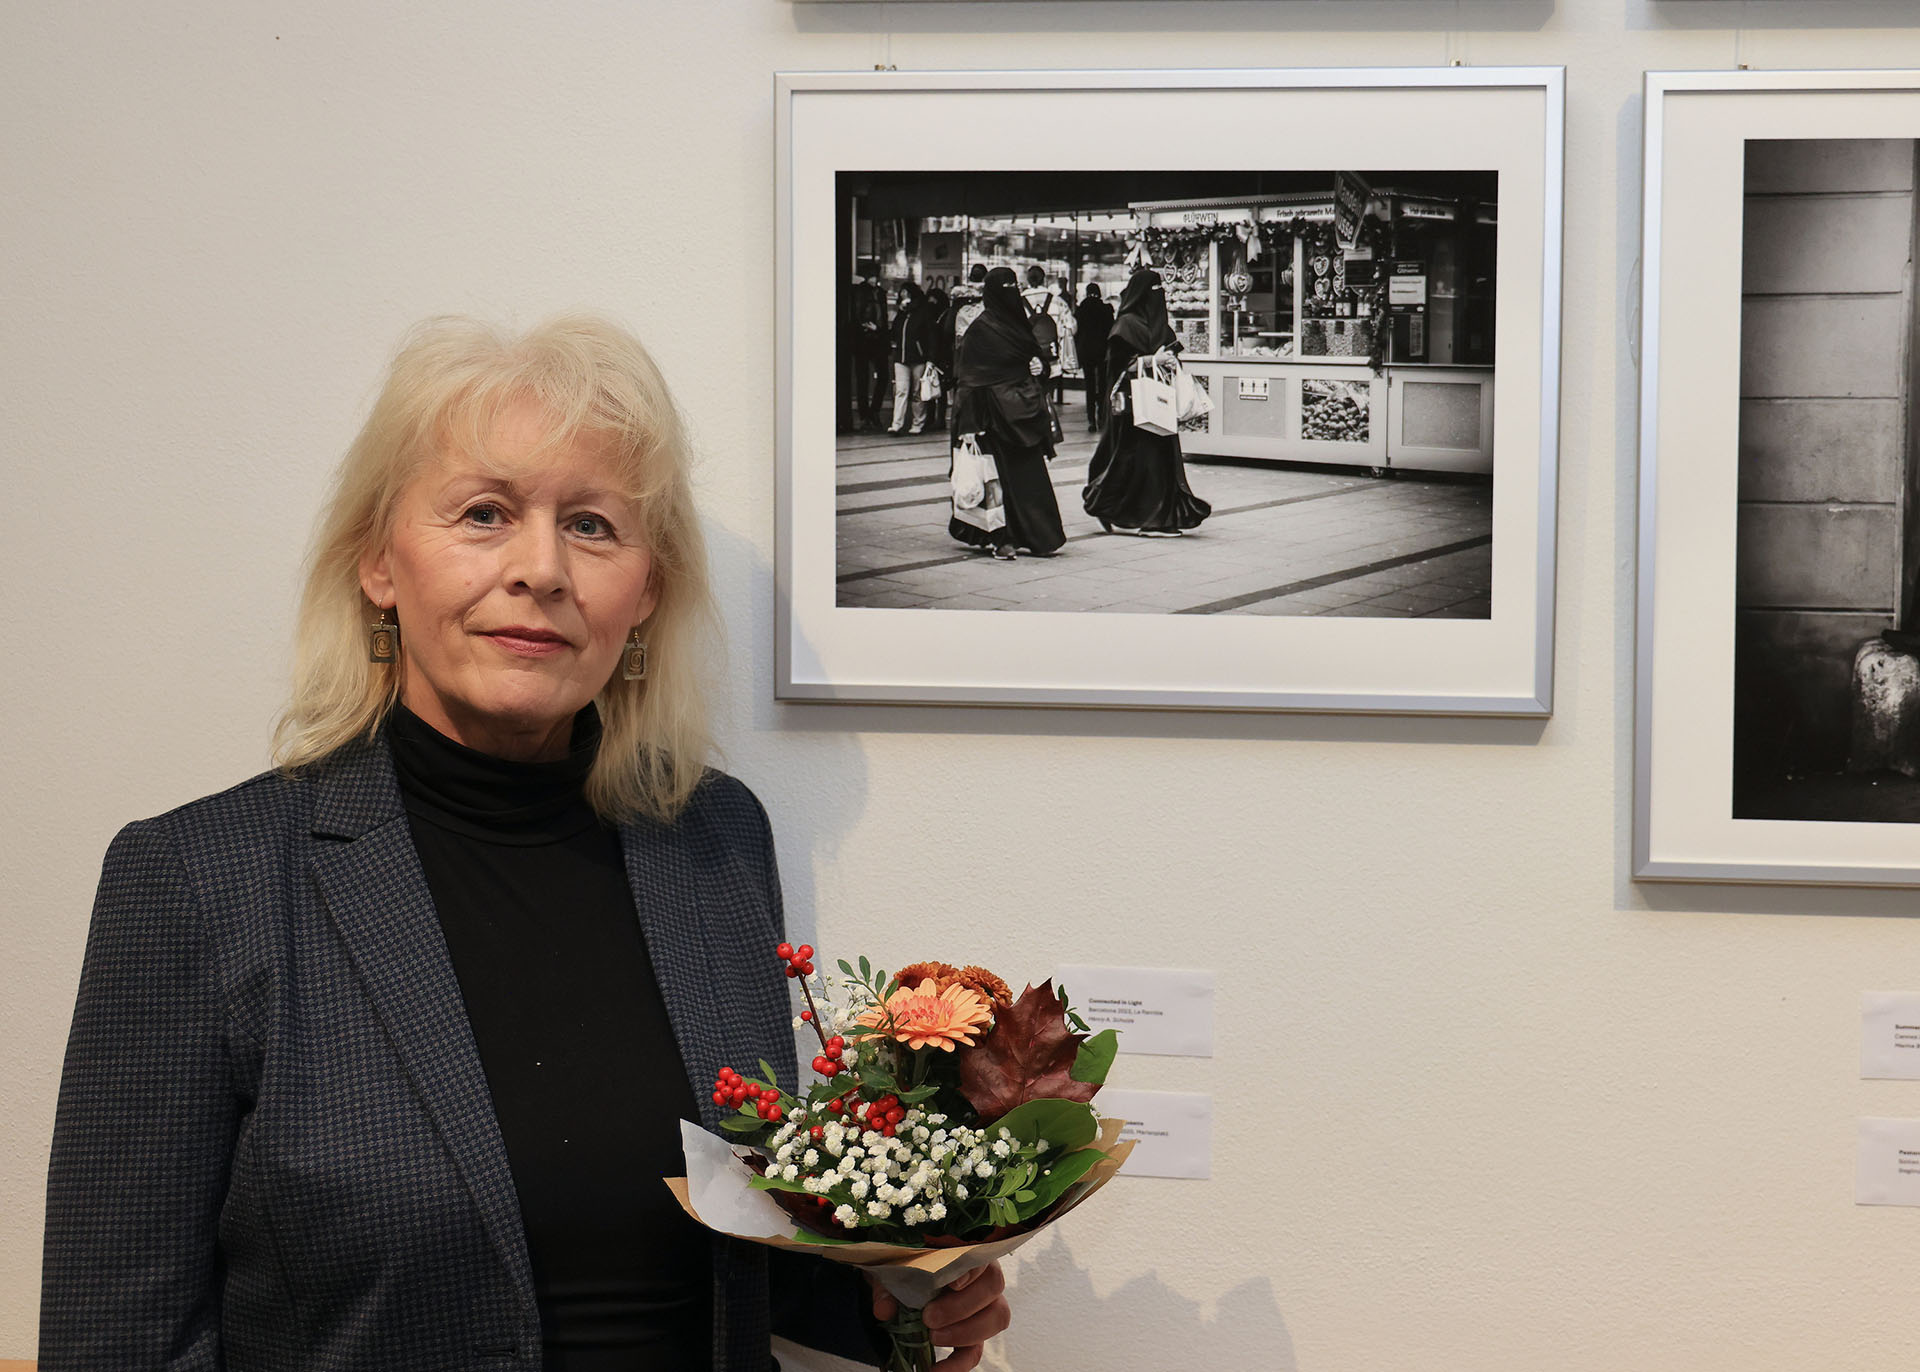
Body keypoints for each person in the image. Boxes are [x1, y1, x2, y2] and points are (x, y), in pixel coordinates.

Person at [39, 315, 1012, 1371]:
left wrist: (877, 1299)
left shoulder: (717, 839)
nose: (540, 568)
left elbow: (716, 1241)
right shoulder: (195, 880)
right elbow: (116, 1339)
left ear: (643, 594)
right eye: (485, 513)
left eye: (592, 525)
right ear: (379, 561)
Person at [1082, 269, 1213, 537]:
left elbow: (1172, 352)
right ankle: (1149, 519)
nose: (1158, 295)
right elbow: (1117, 367)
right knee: (1140, 460)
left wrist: (1168, 360)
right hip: (1133, 407)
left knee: (1155, 460)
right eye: (1154, 289)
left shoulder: (1159, 324)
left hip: (1159, 404)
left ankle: (1136, 512)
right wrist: (1152, 360)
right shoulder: (1126, 325)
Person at [949, 268, 1066, 561]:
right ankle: (1000, 537)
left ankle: (1035, 535)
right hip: (992, 417)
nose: (1010, 294)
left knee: (1025, 478)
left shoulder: (1019, 325)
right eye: (1006, 288)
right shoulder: (980, 331)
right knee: (995, 479)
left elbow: (1035, 359)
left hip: (1022, 413)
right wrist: (968, 425)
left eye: (1014, 287)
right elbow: (970, 380)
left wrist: (1041, 367)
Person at [1019, 266, 1074, 407]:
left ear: (1028, 280)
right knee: (1048, 396)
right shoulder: (1057, 301)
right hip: (1052, 357)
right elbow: (1071, 326)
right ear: (1044, 280)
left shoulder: (1018, 302)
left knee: (1029, 399)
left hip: (1026, 359)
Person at [887, 282, 936, 435]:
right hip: (901, 357)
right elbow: (895, 331)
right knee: (901, 391)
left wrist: (930, 357)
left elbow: (930, 335)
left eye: (906, 293)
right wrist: (900, 312)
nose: (903, 296)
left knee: (916, 391)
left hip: (918, 357)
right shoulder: (902, 313)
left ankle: (917, 423)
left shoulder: (923, 312)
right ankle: (897, 424)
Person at [850, 276, 891, 431]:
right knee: (872, 377)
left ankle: (868, 412)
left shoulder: (866, 293)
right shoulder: (875, 293)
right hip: (871, 339)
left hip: (870, 338)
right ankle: (870, 413)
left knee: (866, 378)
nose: (874, 279)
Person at [1073, 282, 1115, 433]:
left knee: (1089, 384)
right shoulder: (1106, 309)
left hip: (1086, 351)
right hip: (1102, 351)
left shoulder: (1080, 310)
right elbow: (1111, 329)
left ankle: (1091, 420)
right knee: (1103, 384)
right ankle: (1102, 417)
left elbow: (1076, 331)